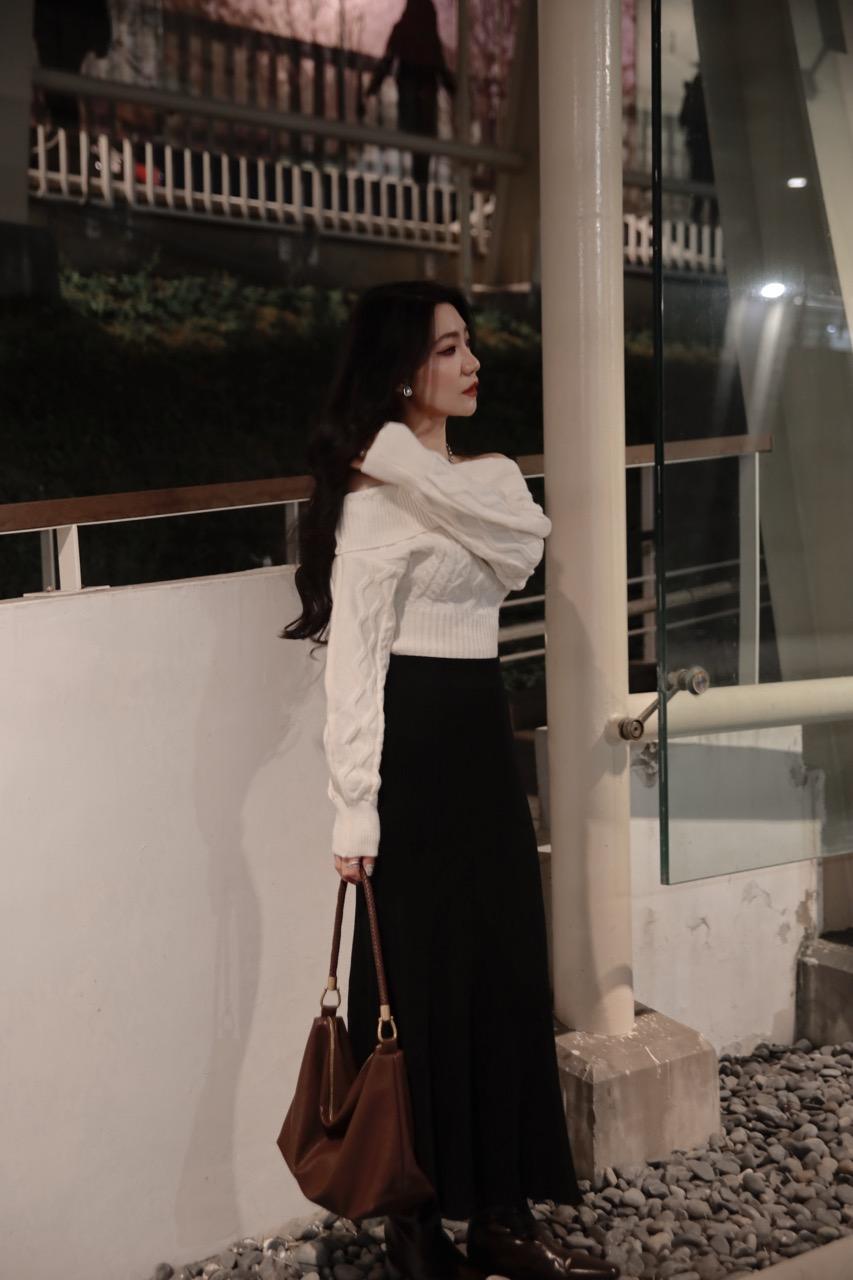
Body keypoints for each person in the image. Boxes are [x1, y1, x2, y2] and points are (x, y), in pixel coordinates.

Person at [282, 280, 619, 1280]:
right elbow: (353, 663)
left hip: (480, 732)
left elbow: (522, 548)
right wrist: (354, 808)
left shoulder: (487, 476)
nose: (472, 362)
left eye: (469, 343)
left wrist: (399, 462)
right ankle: (416, 1226)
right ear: (401, 369)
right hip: (410, 749)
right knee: (415, 988)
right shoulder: (368, 508)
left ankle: (505, 1214)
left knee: (505, 969)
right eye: (447, 348)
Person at [361, 0, 456, 188]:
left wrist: (373, 87)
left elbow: (388, 60)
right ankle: (421, 182)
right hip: (427, 90)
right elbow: (440, 66)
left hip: (409, 88)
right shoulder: (429, 36)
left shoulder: (402, 30)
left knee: (414, 136)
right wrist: (453, 88)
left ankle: (417, 181)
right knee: (424, 139)